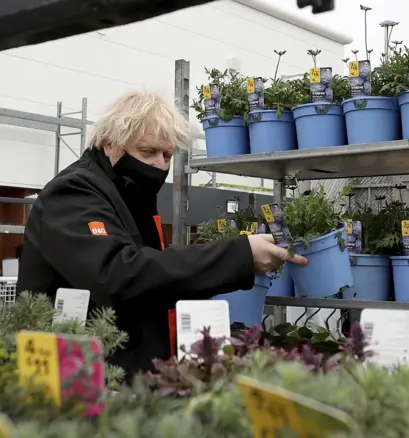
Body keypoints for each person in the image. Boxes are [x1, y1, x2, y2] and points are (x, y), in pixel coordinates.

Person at [17, 90, 306, 377]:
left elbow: (155, 276)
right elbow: (119, 273)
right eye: (147, 152)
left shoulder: (129, 194)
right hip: (72, 375)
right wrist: (240, 254)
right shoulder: (74, 192)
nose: (160, 164)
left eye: (168, 155)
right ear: (109, 144)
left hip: (122, 373)